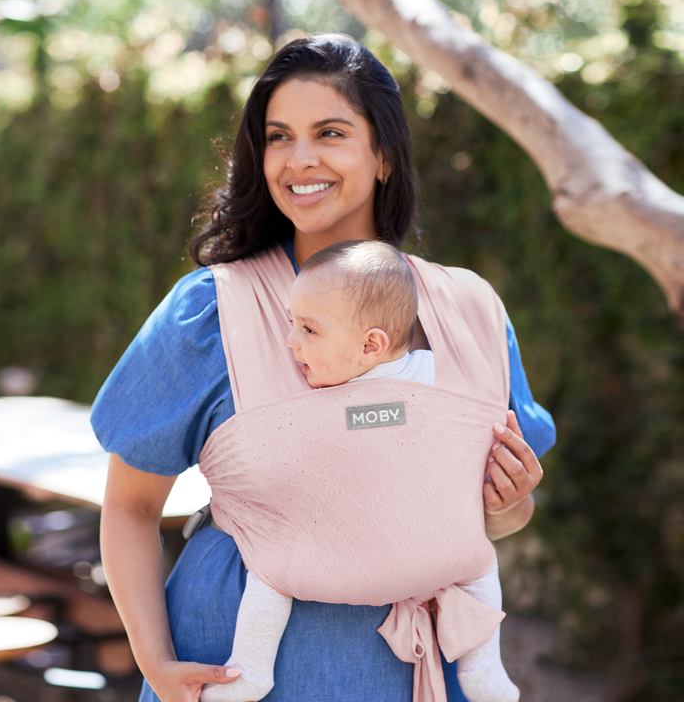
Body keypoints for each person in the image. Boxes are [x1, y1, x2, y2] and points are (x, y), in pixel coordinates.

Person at [93, 33, 554, 702]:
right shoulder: (212, 312)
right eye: (278, 137)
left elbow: (497, 517)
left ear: (385, 154)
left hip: (417, 668)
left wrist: (510, 503)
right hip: (240, 665)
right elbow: (131, 508)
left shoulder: (468, 310)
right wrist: (156, 664)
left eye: (330, 132)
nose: (299, 159)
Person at [200, 239, 519, 702]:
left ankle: (250, 673)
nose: (290, 341)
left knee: (267, 577)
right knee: (480, 567)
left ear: (371, 345)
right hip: (446, 556)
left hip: (313, 567)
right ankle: (483, 671)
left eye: (308, 330)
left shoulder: (307, 404)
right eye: (293, 324)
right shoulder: (441, 374)